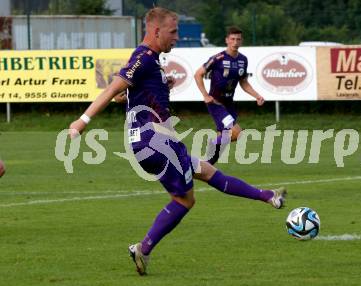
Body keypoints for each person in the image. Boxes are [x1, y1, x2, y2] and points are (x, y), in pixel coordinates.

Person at [68, 7, 286, 276]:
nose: (177, 37)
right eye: (173, 31)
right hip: (155, 141)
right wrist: (83, 121)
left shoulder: (151, 62)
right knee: (184, 200)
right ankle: (143, 249)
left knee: (206, 170)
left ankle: (268, 196)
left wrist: (161, 86)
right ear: (156, 31)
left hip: (153, 143)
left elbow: (122, 97)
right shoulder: (144, 57)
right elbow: (114, 88)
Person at [194, 26, 264, 165]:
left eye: (238, 39)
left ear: (241, 41)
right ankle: (212, 143)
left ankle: (206, 167)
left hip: (229, 104)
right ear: (227, 40)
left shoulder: (243, 60)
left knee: (223, 143)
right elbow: (198, 74)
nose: (235, 42)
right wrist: (205, 95)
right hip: (216, 103)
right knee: (237, 133)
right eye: (232, 39)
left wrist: (257, 95)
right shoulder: (217, 58)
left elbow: (244, 82)